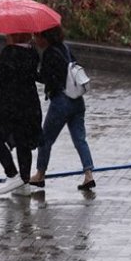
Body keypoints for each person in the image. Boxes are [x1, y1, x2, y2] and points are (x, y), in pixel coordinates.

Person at [29, 26, 95, 190]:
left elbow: (46, 78)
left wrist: (31, 72)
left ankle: (39, 175)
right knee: (80, 139)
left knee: (45, 140)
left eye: (36, 36)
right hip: (78, 101)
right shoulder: (65, 49)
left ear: (45, 37)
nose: (35, 39)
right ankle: (89, 175)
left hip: (61, 102)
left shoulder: (49, 54)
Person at [0, 32, 43, 196]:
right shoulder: (32, 52)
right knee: (23, 141)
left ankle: (12, 174)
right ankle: (25, 182)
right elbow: (33, 75)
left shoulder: (9, 52)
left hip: (10, 104)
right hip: (29, 103)